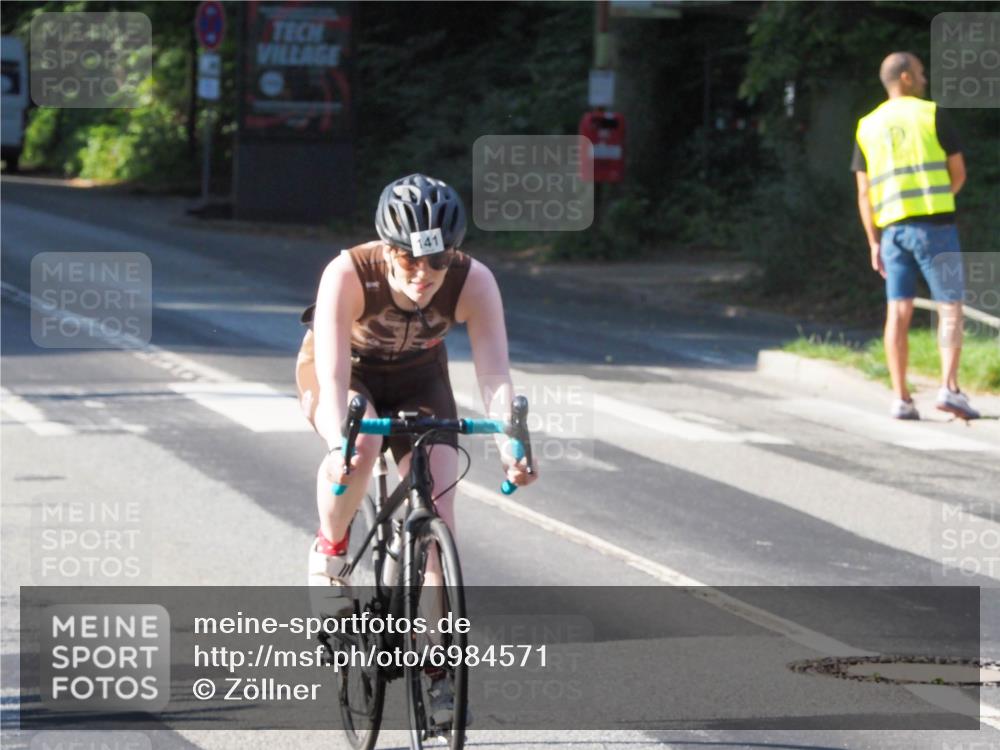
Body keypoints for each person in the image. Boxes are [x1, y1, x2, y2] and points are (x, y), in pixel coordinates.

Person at [295, 173, 537, 724]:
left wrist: (510, 443)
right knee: (360, 446)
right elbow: (331, 379)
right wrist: (341, 441)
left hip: (419, 377)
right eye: (409, 260)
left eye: (439, 261)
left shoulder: (474, 281)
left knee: (440, 510)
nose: (424, 275)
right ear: (387, 249)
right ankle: (330, 553)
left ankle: (435, 667)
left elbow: (495, 375)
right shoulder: (348, 274)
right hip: (347, 374)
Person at [852, 52, 979, 421]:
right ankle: (949, 389)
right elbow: (958, 173)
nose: (925, 79)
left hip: (891, 231)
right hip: (935, 225)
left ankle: (902, 398)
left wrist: (873, 241)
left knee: (899, 310)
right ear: (906, 77)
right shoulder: (931, 114)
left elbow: (864, 193)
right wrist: (939, 198)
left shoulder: (867, 125)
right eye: (921, 73)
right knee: (950, 307)